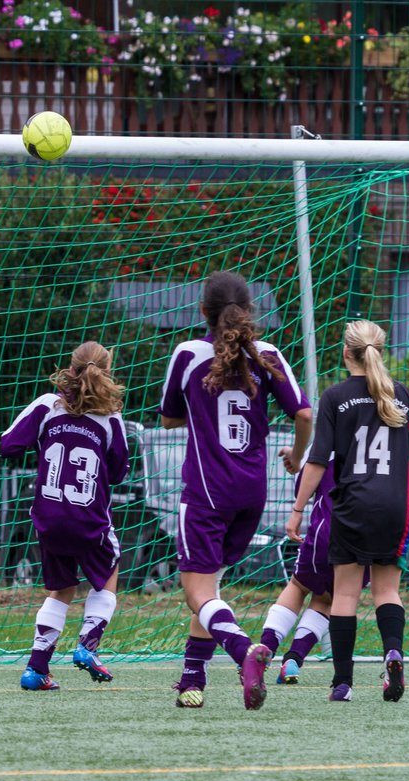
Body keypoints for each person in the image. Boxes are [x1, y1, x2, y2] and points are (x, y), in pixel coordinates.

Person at [158, 271, 312, 709]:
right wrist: (297, 458)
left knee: (197, 593)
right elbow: (303, 415)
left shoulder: (189, 353)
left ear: (202, 311)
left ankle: (246, 652)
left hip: (208, 492)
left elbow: (169, 417)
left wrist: (202, 416)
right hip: (252, 492)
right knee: (213, 588)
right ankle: (192, 679)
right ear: (248, 312)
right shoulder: (269, 355)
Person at [285, 319, 409, 702]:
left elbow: (318, 460)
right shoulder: (402, 396)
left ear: (346, 353)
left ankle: (342, 683)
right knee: (387, 589)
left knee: (344, 595)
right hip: (394, 506)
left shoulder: (335, 396)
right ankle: (393, 651)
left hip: (352, 504)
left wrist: (297, 509)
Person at [0, 341, 130, 690]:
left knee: (61, 590)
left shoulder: (47, 406)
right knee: (108, 575)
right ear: (106, 372)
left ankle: (36, 669)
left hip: (48, 516)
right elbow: (118, 472)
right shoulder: (110, 418)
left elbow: (8, 444)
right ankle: (87, 646)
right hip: (88, 518)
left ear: (70, 369)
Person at [260, 465, 334, 684]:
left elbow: (306, 481)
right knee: (326, 598)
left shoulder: (330, 438)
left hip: (326, 530)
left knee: (299, 585)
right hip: (363, 535)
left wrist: (297, 510)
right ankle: (293, 659)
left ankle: (265, 652)